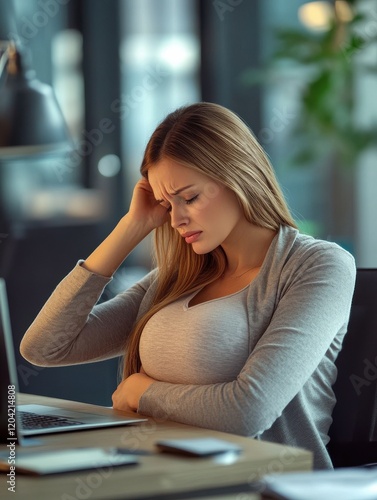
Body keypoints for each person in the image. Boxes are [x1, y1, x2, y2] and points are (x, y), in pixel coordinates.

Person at [20, 102, 356, 469]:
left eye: (190, 198)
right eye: (166, 203)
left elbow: (248, 411)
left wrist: (143, 392)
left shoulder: (318, 264)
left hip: (260, 485)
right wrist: (131, 227)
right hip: (156, 472)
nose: (176, 219)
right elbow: (45, 348)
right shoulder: (175, 277)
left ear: (238, 175)